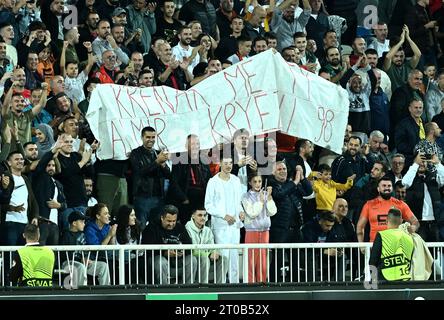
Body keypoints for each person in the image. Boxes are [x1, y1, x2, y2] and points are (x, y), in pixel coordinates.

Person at [205, 157, 244, 283]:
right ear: (220, 164)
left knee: (234, 257)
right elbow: (208, 205)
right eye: (226, 163)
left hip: (234, 225)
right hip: (221, 225)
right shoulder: (213, 181)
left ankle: (235, 285)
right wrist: (224, 215)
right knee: (224, 257)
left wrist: (241, 212)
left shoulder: (236, 180)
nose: (228, 166)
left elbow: (238, 202)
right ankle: (220, 285)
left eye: (230, 163)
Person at [141, 204, 197, 285]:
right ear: (162, 218)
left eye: (174, 221)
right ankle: (164, 289)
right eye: (169, 221)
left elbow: (189, 245)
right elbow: (147, 249)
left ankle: (187, 287)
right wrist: (165, 253)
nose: (171, 224)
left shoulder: (180, 228)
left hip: (178, 261)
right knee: (161, 261)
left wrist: (183, 252)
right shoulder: (151, 228)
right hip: (158, 261)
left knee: (192, 260)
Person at [357, 176, 420, 243]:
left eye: (389, 186)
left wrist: (414, 227)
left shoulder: (401, 204)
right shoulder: (369, 205)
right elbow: (360, 226)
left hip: (396, 245)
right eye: (384, 186)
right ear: (378, 189)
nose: (387, 188)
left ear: (392, 188)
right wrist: (361, 245)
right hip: (375, 245)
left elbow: (415, 222)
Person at [241, 174, 277, 283]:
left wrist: (269, 198)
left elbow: (272, 212)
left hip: (265, 232)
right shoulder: (245, 196)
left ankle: (262, 283)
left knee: (263, 260)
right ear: (250, 183)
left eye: (260, 181)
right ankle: (250, 284)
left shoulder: (265, 194)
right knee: (251, 260)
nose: (258, 184)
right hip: (252, 232)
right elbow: (252, 213)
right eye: (255, 181)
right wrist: (261, 202)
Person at [60, 211, 111, 286]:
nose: (84, 224)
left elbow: (86, 250)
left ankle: (104, 291)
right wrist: (80, 259)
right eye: (81, 222)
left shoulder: (83, 235)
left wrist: (87, 258)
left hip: (83, 263)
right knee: (81, 267)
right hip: (69, 263)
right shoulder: (66, 235)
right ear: (74, 223)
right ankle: (82, 293)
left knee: (103, 266)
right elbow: (63, 255)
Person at [369, 208, 414, 281]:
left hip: (384, 279)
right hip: (405, 279)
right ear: (401, 221)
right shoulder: (409, 238)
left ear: (386, 220)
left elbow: (373, 261)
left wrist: (373, 280)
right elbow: (410, 260)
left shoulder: (382, 235)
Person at [185, 208, 227, 284]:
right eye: (200, 215)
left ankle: (220, 286)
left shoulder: (208, 230)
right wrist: (209, 254)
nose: (203, 218)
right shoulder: (187, 228)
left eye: (205, 215)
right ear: (193, 216)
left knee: (224, 259)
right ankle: (203, 286)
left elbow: (212, 246)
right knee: (204, 259)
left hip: (205, 255)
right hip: (192, 257)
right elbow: (193, 249)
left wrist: (214, 252)